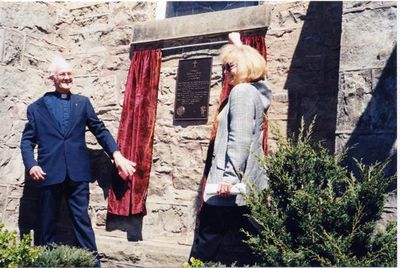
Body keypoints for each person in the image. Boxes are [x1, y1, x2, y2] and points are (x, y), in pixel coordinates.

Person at [20, 56, 135, 262]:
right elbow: (27, 142)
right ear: (52, 78)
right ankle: (45, 264)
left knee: (82, 222)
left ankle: (92, 263)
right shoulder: (36, 108)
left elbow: (100, 130)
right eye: (62, 74)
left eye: (70, 74)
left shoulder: (82, 103)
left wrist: (116, 155)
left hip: (77, 173)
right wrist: (31, 165)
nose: (67, 78)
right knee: (46, 224)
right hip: (48, 172)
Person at [189, 32, 272, 265]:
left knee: (206, 244)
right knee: (241, 244)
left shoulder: (242, 92)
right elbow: (264, 81)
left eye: (229, 67)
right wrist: (239, 47)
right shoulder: (257, 93)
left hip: (229, 185)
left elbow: (240, 139)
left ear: (244, 66)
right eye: (223, 68)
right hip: (246, 187)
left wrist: (229, 177)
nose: (225, 73)